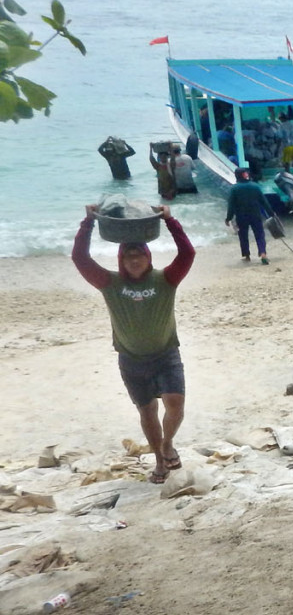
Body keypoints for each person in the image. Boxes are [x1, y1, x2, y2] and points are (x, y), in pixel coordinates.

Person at [73, 204, 196, 484]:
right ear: (121, 260)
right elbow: (80, 258)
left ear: (147, 256)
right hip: (131, 360)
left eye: (138, 254)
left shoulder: (166, 279)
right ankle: (158, 461)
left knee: (175, 404)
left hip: (166, 354)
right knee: (147, 411)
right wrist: (88, 222)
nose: (134, 260)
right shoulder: (109, 283)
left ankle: (167, 444)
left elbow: (188, 254)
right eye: (128, 256)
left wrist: (169, 219)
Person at [227, 167, 271, 265]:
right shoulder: (255, 186)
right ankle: (263, 253)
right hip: (255, 214)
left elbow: (231, 205)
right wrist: (271, 213)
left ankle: (247, 256)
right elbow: (264, 202)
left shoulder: (234, 188)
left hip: (241, 216)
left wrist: (228, 218)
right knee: (259, 234)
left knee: (243, 236)